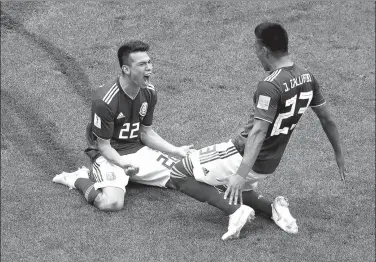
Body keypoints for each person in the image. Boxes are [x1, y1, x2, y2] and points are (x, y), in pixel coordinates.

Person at [168, 22, 346, 240]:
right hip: (270, 163)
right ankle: (274, 208)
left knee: (178, 172)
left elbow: (258, 132)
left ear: (264, 49)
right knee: (236, 189)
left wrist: (241, 173)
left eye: (255, 47)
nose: (255, 53)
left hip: (244, 154)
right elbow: (327, 119)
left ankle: (236, 211)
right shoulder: (308, 77)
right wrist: (338, 154)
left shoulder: (269, 86)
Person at [53, 40, 197, 211]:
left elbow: (145, 133)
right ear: (126, 69)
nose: (149, 68)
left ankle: (131, 177)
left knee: (190, 174)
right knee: (111, 204)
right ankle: (78, 178)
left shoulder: (149, 92)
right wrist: (122, 164)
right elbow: (103, 146)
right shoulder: (104, 100)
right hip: (109, 156)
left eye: (149, 62)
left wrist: (175, 150)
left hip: (137, 151)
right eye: (142, 64)